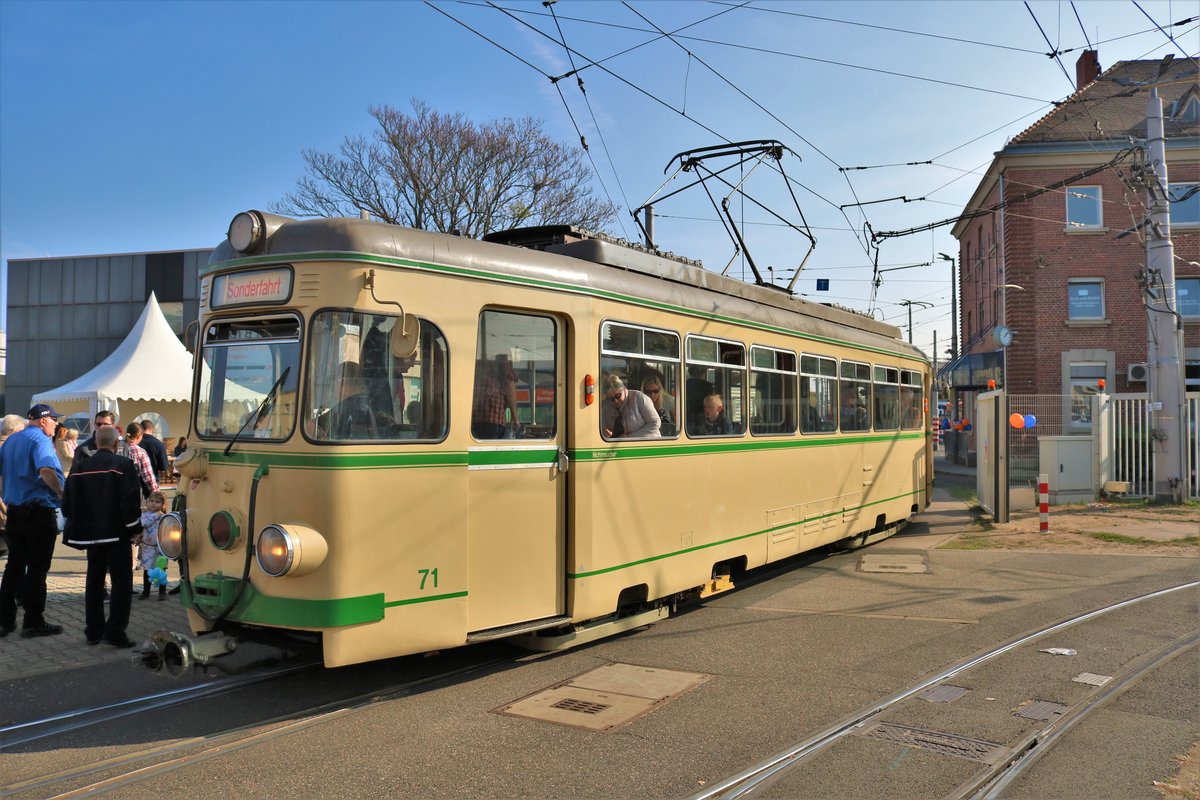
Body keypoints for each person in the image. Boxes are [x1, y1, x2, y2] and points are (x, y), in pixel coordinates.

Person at [62, 425, 142, 648]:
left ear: (96, 443)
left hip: (90, 536)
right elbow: (130, 502)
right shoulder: (123, 465)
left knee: (94, 581)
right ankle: (115, 632)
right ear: (117, 444)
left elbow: (67, 504)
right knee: (121, 583)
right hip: (116, 535)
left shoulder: (79, 468)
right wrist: (135, 529)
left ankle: (93, 631)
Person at [0, 404, 66, 638]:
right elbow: (46, 470)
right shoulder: (39, 440)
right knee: (37, 569)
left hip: (15, 513)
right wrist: (61, 493)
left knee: (14, 567)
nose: (56, 424)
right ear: (42, 420)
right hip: (38, 513)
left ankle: (5, 621)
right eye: (54, 420)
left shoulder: (11, 441)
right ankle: (33, 622)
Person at [471, 357, 519, 439]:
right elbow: (509, 385)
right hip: (494, 417)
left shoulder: (474, 357)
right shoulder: (502, 357)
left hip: (473, 417)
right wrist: (515, 418)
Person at [601, 374, 661, 439]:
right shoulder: (605, 405)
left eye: (618, 396)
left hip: (648, 444)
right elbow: (602, 427)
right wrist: (605, 432)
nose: (615, 401)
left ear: (624, 389)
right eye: (610, 399)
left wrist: (629, 438)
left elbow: (655, 422)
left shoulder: (638, 397)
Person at [136, 492, 167, 601]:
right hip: (147, 547)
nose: (154, 504)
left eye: (157, 502)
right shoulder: (145, 515)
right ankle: (146, 591)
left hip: (160, 547)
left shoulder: (163, 516)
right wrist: (156, 514)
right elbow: (144, 524)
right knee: (147, 569)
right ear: (147, 502)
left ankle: (162, 591)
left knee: (161, 568)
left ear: (163, 505)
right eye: (151, 501)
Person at [123, 423, 159, 500]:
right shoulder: (140, 452)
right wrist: (156, 493)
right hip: (134, 492)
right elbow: (148, 477)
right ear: (139, 436)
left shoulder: (117, 447)